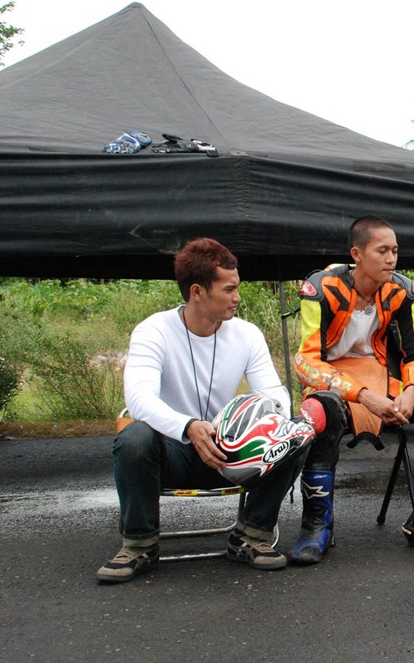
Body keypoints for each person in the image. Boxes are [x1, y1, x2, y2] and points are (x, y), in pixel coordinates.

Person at [98, 238, 304, 583]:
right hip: (171, 453)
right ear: (197, 291)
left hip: (228, 453)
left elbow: (275, 395)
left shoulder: (246, 334)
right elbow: (138, 400)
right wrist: (189, 426)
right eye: (229, 289)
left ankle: (251, 536)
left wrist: (247, 422)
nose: (238, 297)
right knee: (134, 435)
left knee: (296, 432)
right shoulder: (153, 331)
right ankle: (139, 545)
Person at [291, 216, 414, 560]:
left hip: (386, 379)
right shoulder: (321, 288)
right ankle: (317, 525)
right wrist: (362, 395)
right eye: (382, 251)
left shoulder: (403, 290)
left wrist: (410, 391)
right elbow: (306, 363)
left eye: (395, 250)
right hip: (334, 384)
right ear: (357, 254)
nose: (392, 258)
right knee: (320, 413)